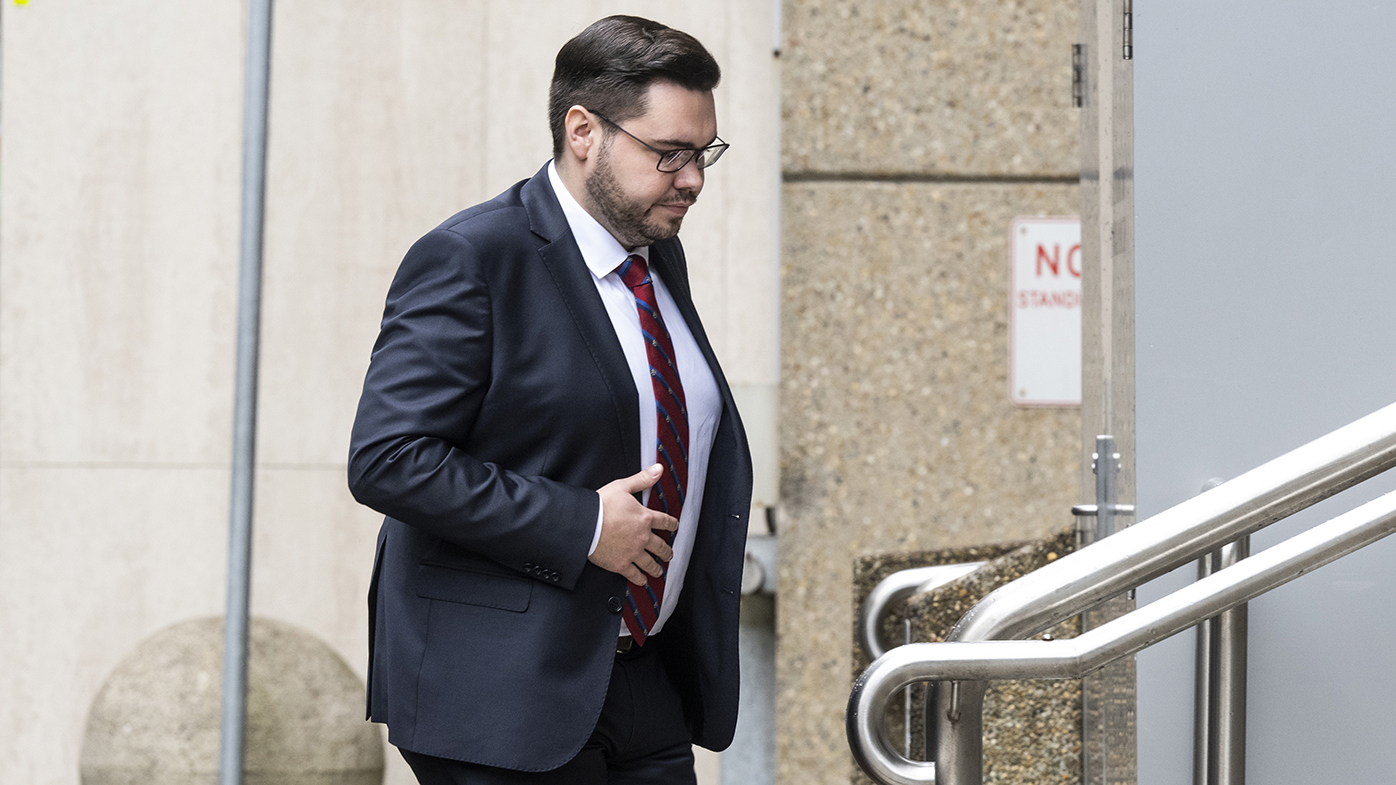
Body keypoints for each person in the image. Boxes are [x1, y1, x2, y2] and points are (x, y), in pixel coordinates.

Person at [347, 15, 753, 785]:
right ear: (582, 131)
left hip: (644, 678)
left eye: (703, 154)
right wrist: (583, 524)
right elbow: (388, 459)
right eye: (669, 154)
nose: (693, 178)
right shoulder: (472, 257)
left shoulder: (657, 254)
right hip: (504, 695)